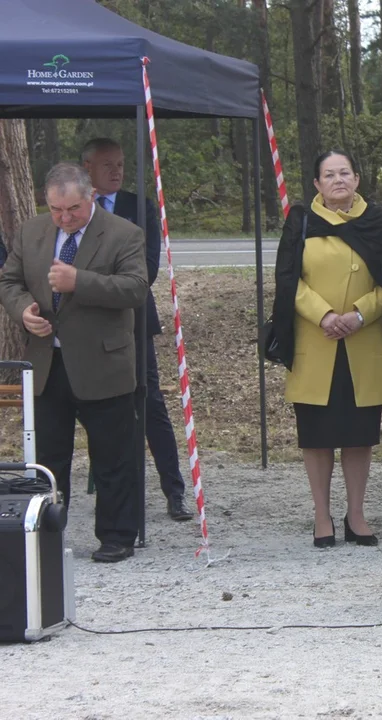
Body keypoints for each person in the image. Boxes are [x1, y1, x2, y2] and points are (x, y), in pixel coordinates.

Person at [0, 163, 148, 563]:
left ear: (92, 198)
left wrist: (78, 280)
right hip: (47, 364)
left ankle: (117, 536)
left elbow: (135, 288)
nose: (65, 218)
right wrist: (22, 310)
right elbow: (8, 280)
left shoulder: (123, 233)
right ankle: (46, 534)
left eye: (74, 209)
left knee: (112, 456)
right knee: (48, 458)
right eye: (56, 210)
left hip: (103, 364)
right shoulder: (32, 232)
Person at [271, 150, 382, 548]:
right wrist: (323, 315)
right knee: (317, 436)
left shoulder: (377, 222)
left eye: (345, 172)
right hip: (316, 340)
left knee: (359, 435)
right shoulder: (301, 221)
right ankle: (321, 515)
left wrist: (359, 315)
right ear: (317, 184)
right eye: (329, 174)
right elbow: (289, 278)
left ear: (357, 179)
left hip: (363, 338)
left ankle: (356, 513)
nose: (338, 179)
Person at [80, 137, 193, 522]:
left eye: (121, 164)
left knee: (149, 402)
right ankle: (110, 493)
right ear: (87, 170)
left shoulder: (138, 207)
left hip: (132, 319)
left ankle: (173, 490)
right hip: (82, 324)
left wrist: (93, 285)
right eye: (108, 165)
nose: (117, 171)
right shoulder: (76, 209)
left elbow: (145, 270)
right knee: (96, 405)